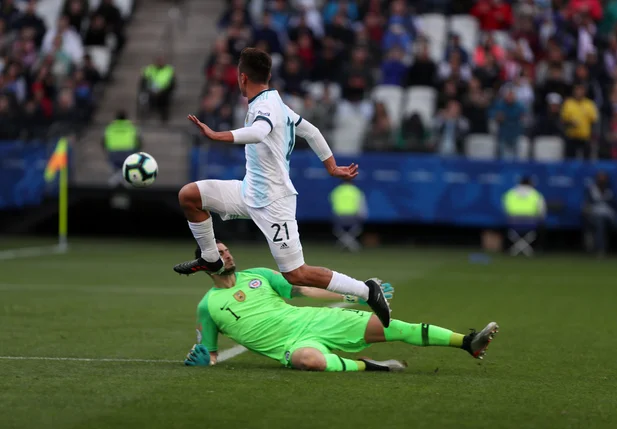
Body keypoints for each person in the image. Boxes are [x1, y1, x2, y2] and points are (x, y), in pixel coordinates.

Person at [173, 47, 392, 327]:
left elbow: (259, 132)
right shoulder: (274, 102)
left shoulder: (264, 107)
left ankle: (367, 290)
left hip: (275, 201)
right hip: (248, 191)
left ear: (242, 78)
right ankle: (211, 258)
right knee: (190, 196)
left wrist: (218, 135)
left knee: (297, 274)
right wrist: (331, 166)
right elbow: (311, 131)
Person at [184, 241, 499, 372]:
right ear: (205, 262)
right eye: (219, 252)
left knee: (392, 326)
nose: (227, 255)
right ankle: (370, 367)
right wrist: (200, 357)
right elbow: (209, 354)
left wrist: (355, 295)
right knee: (310, 361)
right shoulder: (208, 306)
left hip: (315, 321)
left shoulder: (259, 275)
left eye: (226, 250)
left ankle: (467, 342)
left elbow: (306, 289)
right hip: (292, 345)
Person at [583, 171, 617, 256]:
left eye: (604, 178)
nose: (602, 180)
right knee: (600, 224)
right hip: (595, 215)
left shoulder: (609, 190)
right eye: (600, 178)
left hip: (609, 215)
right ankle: (601, 250)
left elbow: (614, 205)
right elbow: (586, 205)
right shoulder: (591, 190)